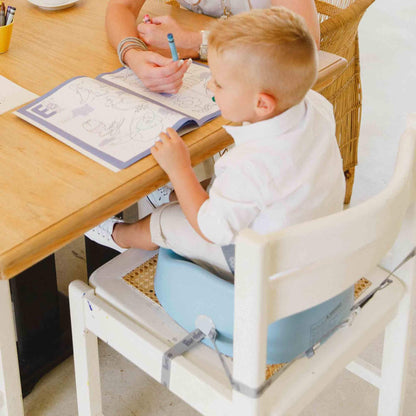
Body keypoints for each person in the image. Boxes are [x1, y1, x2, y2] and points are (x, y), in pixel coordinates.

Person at [86, 7, 345, 280]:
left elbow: (211, 228)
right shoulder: (317, 106)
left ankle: (121, 236)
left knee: (165, 220)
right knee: (210, 191)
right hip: (307, 242)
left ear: (262, 103)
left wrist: (180, 170)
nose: (209, 87)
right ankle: (180, 197)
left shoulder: (248, 165)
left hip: (260, 268)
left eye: (219, 84)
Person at [106, 0, 320, 93]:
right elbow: (121, 6)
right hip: (203, 81)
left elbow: (305, 47)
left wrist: (195, 42)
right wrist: (133, 55)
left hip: (268, 81)